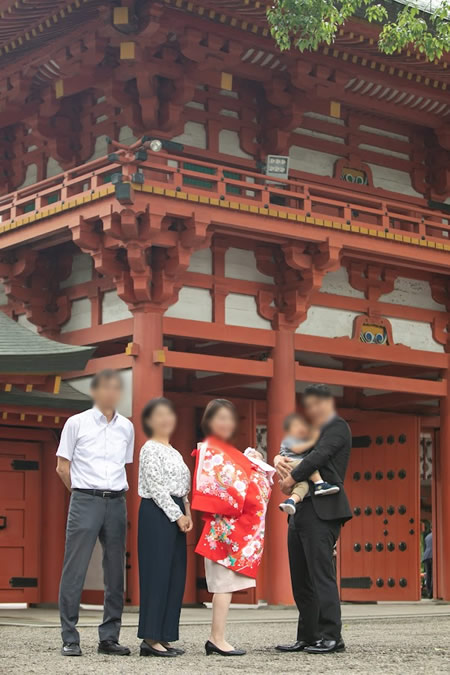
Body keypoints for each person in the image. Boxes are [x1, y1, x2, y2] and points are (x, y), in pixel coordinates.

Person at [56, 369, 134, 657]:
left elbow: (124, 465)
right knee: (75, 568)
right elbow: (62, 467)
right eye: (106, 387)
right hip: (85, 498)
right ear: (96, 392)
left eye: (116, 388)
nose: (111, 393)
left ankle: (109, 637)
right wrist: (80, 494)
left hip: (116, 501)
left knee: (115, 571)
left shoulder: (127, 427)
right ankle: (70, 637)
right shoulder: (76, 423)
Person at [192, 399, 273, 657]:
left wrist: (252, 461)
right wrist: (248, 466)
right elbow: (229, 486)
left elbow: (247, 477)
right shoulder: (211, 451)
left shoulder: (227, 452)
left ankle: (217, 637)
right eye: (219, 418)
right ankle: (217, 639)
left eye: (229, 418)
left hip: (228, 530)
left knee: (223, 586)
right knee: (222, 586)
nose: (225, 423)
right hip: (223, 530)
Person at [275, 384, 352, 655]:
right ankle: (308, 635)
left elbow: (319, 456)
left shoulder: (337, 427)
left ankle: (332, 635)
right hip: (300, 510)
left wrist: (291, 478)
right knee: (300, 577)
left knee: (321, 575)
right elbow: (291, 453)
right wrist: (278, 460)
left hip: (325, 508)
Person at [137, 397, 192, 658]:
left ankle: (165, 634)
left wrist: (188, 512)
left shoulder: (174, 451)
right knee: (156, 574)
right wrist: (177, 515)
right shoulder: (149, 448)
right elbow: (157, 488)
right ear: (149, 421)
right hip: (157, 513)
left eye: (169, 414)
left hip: (177, 511)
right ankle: (150, 638)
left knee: (174, 574)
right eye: (159, 415)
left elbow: (184, 488)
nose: (166, 419)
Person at [278, 412, 340, 515]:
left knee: (303, 485)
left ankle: (291, 501)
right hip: (292, 463)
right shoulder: (288, 439)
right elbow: (298, 449)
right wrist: (313, 440)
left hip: (296, 469)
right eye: (296, 425)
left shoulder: (302, 439)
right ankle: (320, 484)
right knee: (309, 466)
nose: (300, 428)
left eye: (302, 425)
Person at [422, 529, 433, 598]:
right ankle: (432, 592)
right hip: (433, 556)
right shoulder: (436, 535)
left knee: (428, 575)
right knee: (434, 575)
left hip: (426, 556)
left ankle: (429, 592)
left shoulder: (427, 536)